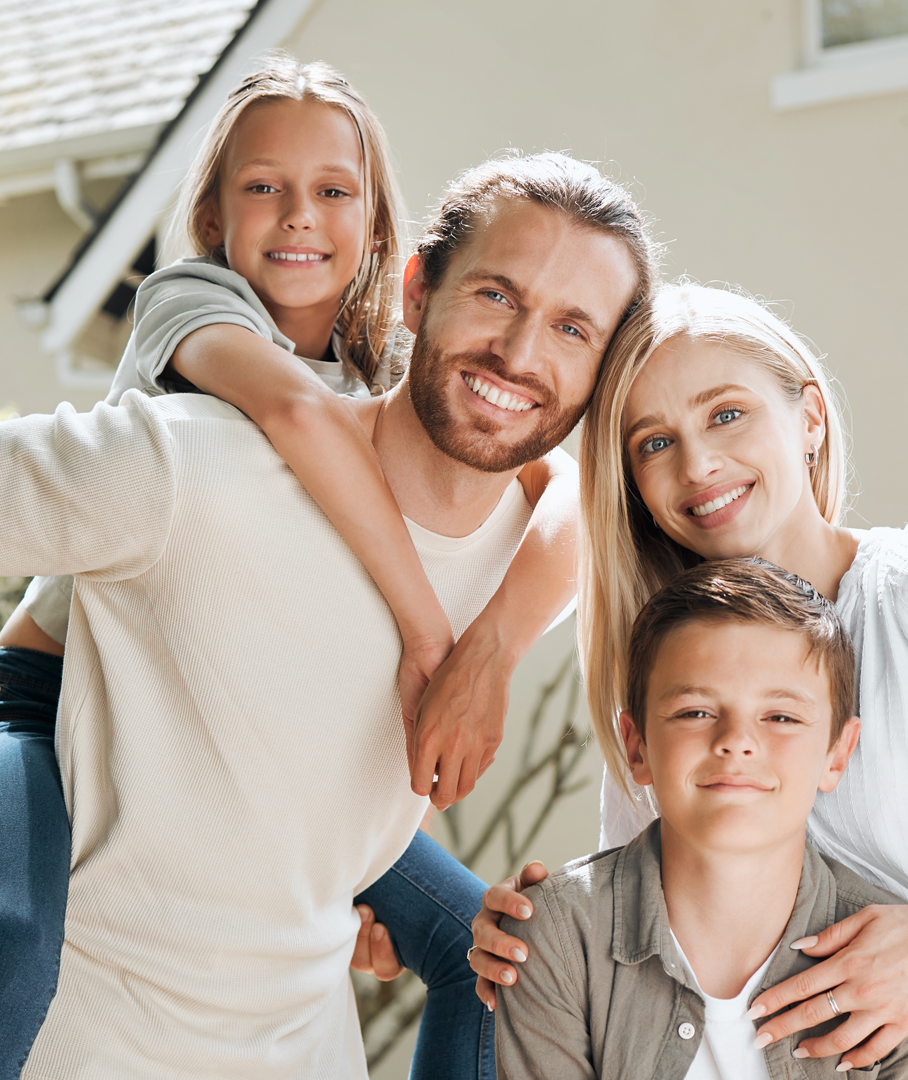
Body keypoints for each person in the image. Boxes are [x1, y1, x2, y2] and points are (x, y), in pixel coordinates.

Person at [0, 58, 594, 1080]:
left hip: (251, 748)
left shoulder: (377, 375)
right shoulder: (194, 310)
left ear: (375, 231)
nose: (297, 217)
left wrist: (487, 660)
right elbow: (294, 418)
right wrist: (427, 638)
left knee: (487, 955)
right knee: (15, 929)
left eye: (332, 192)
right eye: (262, 188)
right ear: (214, 218)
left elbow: (568, 490)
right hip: (49, 694)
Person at [469, 283, 908, 1079]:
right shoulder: (663, 684)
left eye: (727, 414)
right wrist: (537, 929)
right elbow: (649, 946)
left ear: (811, 420)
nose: (698, 464)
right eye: (654, 443)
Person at [495, 558, 908, 1079]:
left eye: (781, 717)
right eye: (695, 712)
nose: (736, 740)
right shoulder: (559, 937)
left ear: (837, 753)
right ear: (637, 746)